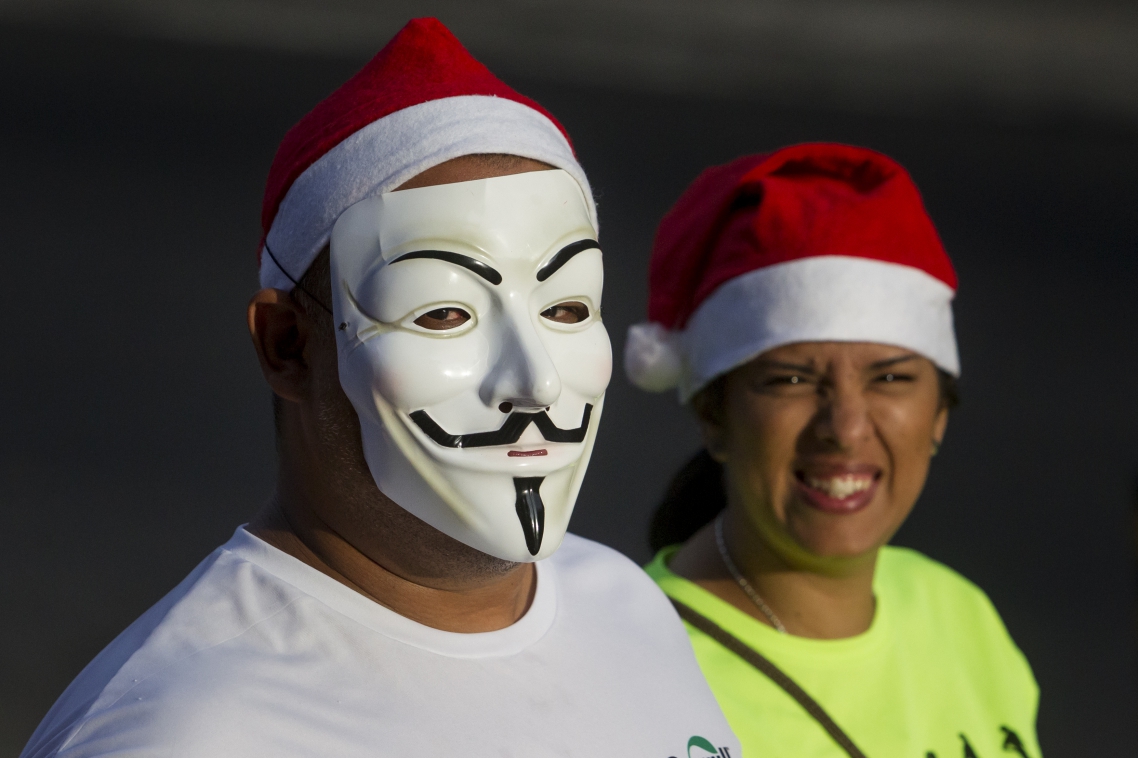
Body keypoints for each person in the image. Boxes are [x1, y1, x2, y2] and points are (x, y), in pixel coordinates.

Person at [21, 19, 740, 758]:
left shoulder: (621, 603)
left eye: (565, 309)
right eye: (444, 314)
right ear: (288, 345)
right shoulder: (185, 734)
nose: (534, 382)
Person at [624, 143, 1041, 758]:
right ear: (714, 414)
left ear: (939, 415)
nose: (844, 428)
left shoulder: (959, 614)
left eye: (890, 378)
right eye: (792, 379)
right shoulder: (633, 673)